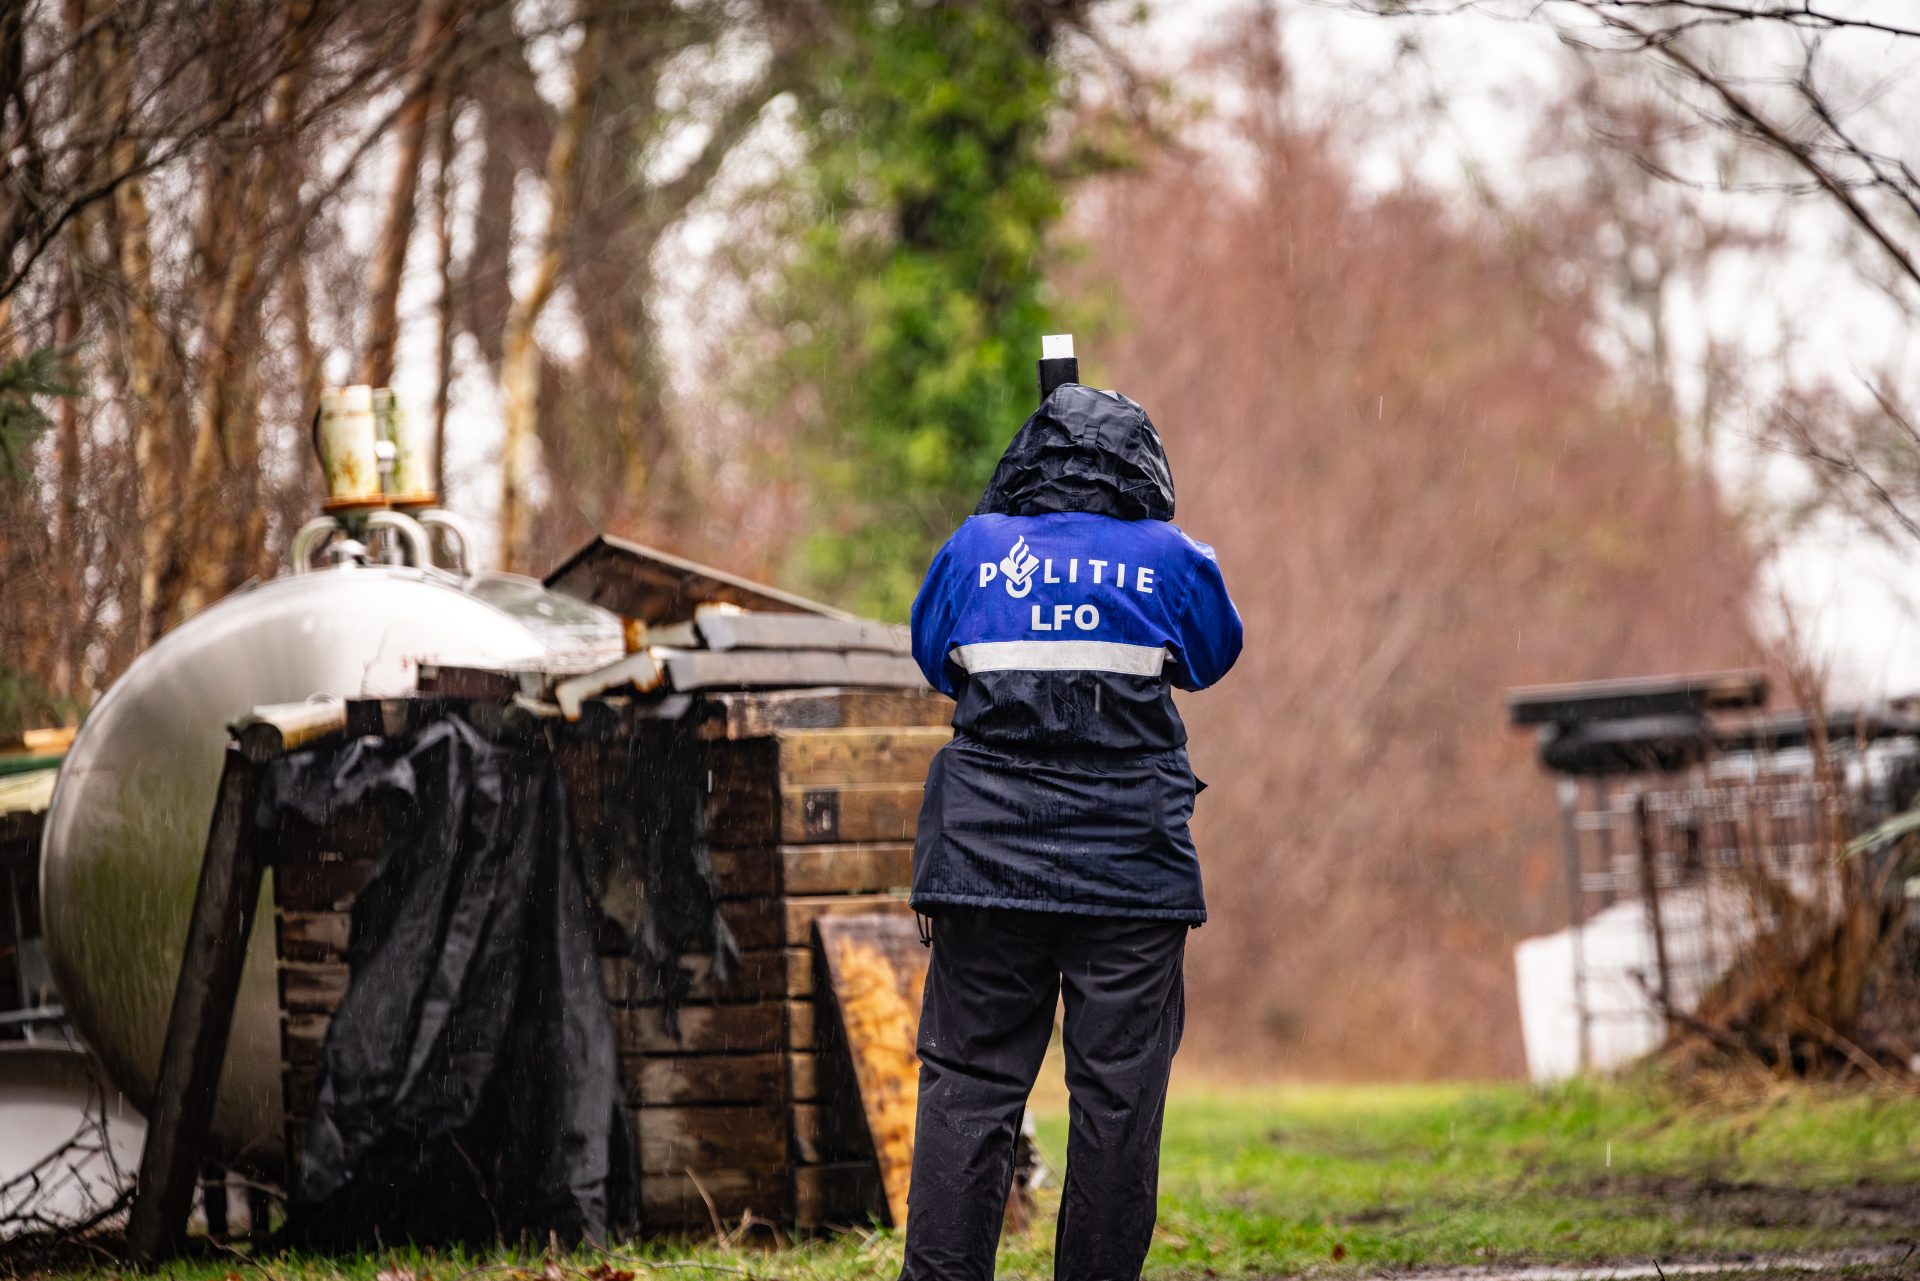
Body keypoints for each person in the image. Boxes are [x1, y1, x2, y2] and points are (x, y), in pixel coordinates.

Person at [899, 379, 1243, 1281]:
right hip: (1131, 874)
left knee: (970, 1089)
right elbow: (1214, 656)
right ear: (1143, 467)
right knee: (1118, 1102)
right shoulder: (1172, 558)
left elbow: (935, 656)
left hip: (984, 865)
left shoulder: (976, 550)